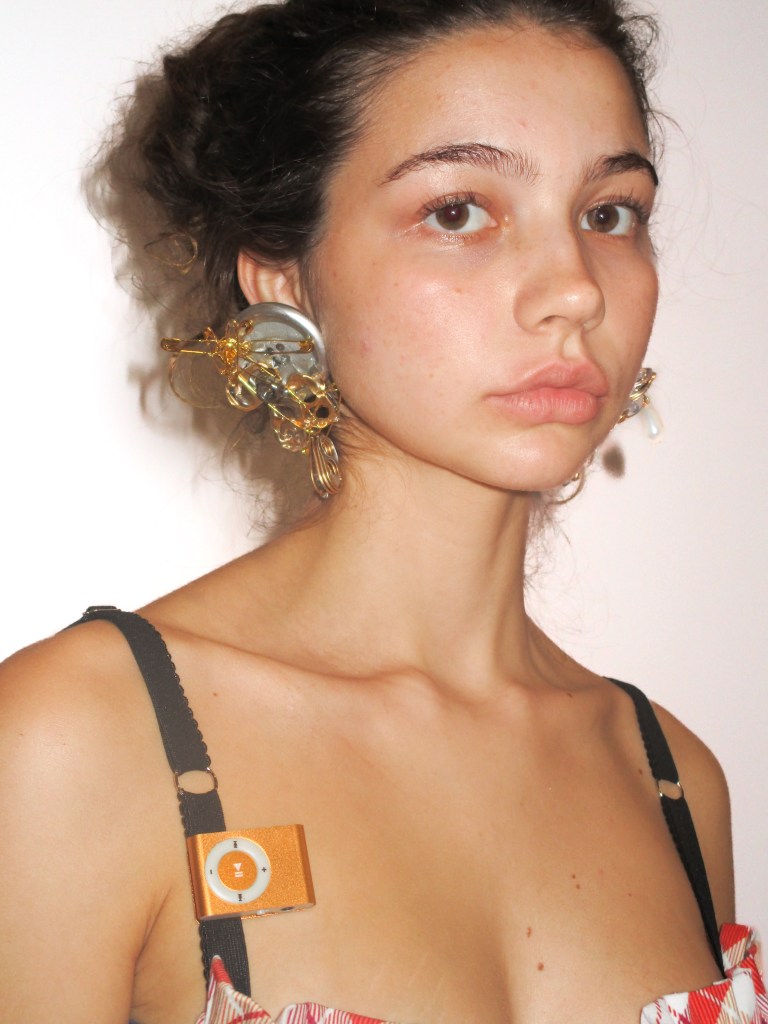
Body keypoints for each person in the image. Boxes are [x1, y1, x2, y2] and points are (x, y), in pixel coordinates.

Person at [1, 1, 765, 1022]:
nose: (577, 290)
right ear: (285, 277)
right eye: (458, 212)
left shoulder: (671, 778)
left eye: (609, 213)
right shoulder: (79, 739)